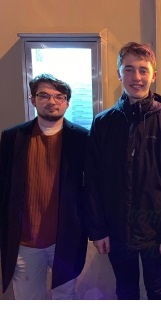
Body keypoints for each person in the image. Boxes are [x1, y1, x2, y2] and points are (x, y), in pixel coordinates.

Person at [85, 42, 161, 300]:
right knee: (125, 290)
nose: (136, 77)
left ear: (153, 75)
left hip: (157, 233)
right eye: (129, 69)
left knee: (158, 290)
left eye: (143, 70)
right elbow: (92, 182)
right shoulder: (103, 123)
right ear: (119, 74)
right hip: (117, 229)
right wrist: (98, 230)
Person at [0, 73, 88, 299]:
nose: (52, 102)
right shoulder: (12, 138)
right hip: (24, 242)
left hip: (66, 238)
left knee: (65, 299)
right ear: (33, 99)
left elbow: (90, 189)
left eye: (59, 97)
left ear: (67, 102)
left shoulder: (82, 139)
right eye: (44, 96)